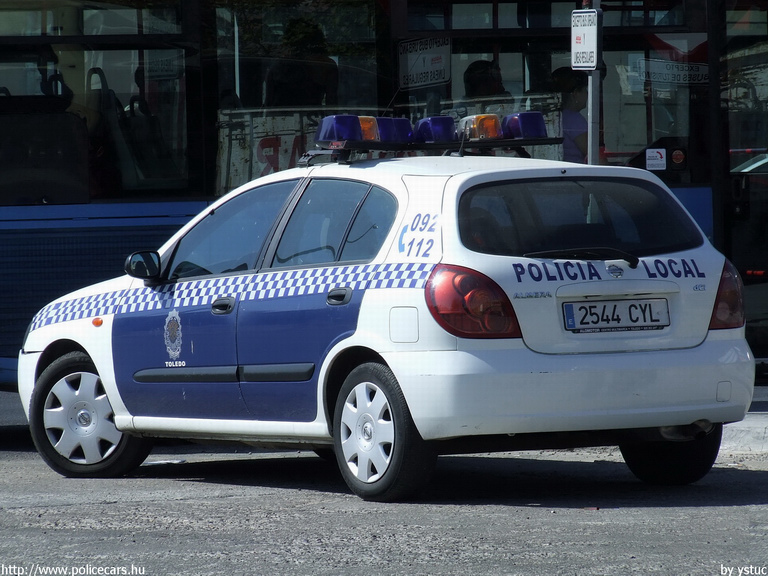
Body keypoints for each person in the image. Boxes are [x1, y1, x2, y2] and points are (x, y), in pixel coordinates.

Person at [264, 18, 338, 108]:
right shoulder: (325, 65)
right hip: (312, 117)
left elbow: (269, 103)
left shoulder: (277, 66)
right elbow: (332, 102)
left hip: (283, 118)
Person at [552, 67, 589, 163]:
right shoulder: (574, 119)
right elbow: (592, 154)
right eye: (585, 90)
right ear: (576, 93)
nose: (587, 94)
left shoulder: (558, 116)